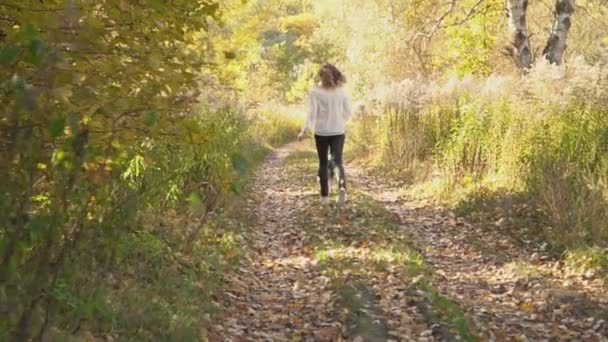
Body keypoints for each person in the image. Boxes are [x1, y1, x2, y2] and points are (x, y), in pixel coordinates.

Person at [297, 64, 352, 205]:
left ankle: (325, 197)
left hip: (321, 132)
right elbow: (348, 112)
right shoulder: (342, 91)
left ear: (320, 76)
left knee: (322, 163)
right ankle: (342, 187)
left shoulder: (315, 91)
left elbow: (311, 114)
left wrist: (305, 130)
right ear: (335, 75)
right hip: (338, 131)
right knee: (337, 161)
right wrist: (340, 121)